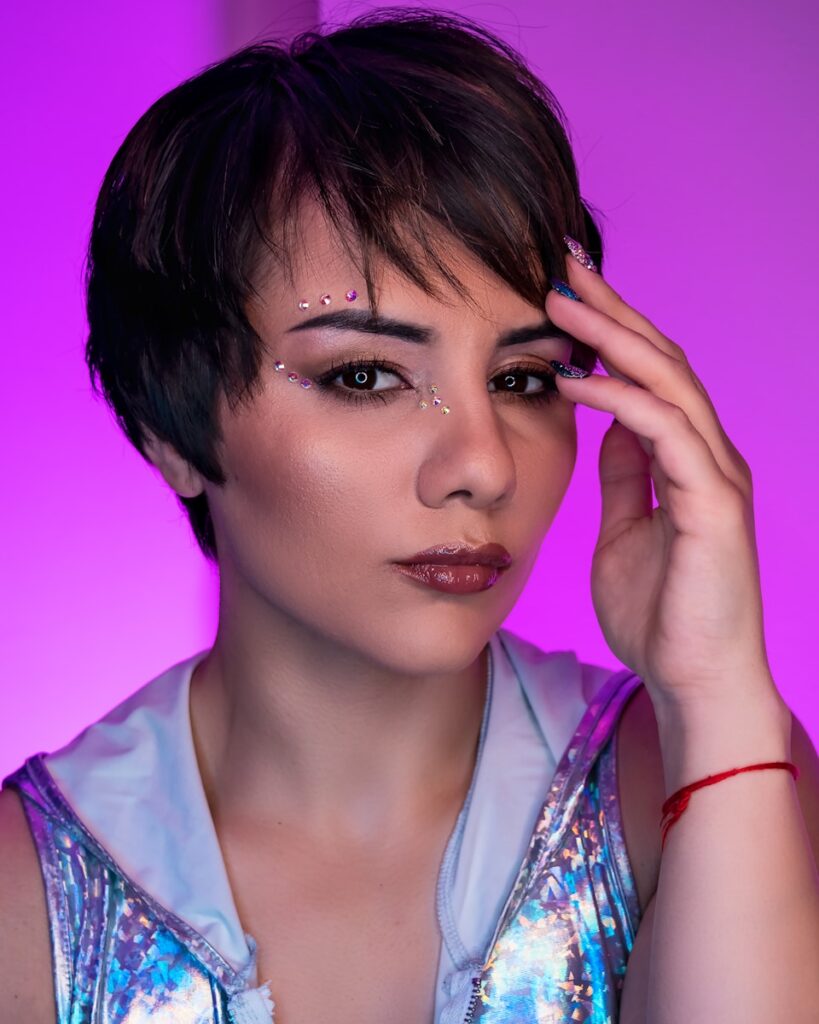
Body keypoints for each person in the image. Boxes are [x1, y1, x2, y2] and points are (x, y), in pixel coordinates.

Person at [1, 8, 818, 1023]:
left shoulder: (695, 772)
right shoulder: (27, 897)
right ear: (171, 422)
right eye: (368, 374)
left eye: (524, 379)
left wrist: (722, 689)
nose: (482, 464)